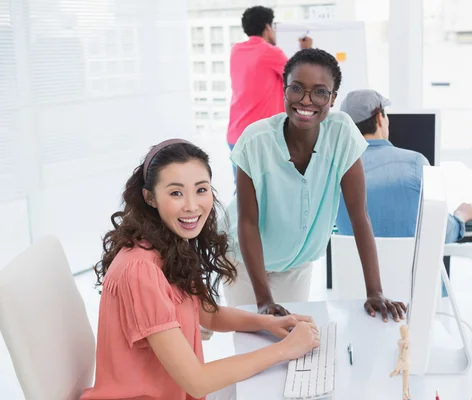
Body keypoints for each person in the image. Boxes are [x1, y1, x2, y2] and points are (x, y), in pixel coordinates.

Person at [80, 139, 320, 400]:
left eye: (201, 190)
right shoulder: (140, 269)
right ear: (150, 197)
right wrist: (286, 350)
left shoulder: (170, 245)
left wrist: (269, 323)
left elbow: (208, 315)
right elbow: (197, 381)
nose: (192, 206)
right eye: (176, 193)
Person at [223, 49, 406, 324]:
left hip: (295, 264)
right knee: (254, 342)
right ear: (284, 90)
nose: (306, 101)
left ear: (332, 99)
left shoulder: (342, 133)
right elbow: (247, 222)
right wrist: (264, 301)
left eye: (320, 92)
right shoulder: (255, 141)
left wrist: (375, 291)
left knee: (292, 343)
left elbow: (359, 216)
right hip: (242, 263)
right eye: (296, 89)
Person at [335, 89, 472, 243]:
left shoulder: (336, 171)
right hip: (410, 268)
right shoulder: (417, 163)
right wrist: (459, 217)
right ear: (379, 118)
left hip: (356, 267)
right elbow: (442, 231)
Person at [227, 6, 312, 182]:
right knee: (270, 192)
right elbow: (301, 77)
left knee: (243, 195)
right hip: (261, 138)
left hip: (236, 135)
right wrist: (305, 50)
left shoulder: (236, 51)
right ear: (267, 27)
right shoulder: (270, 52)